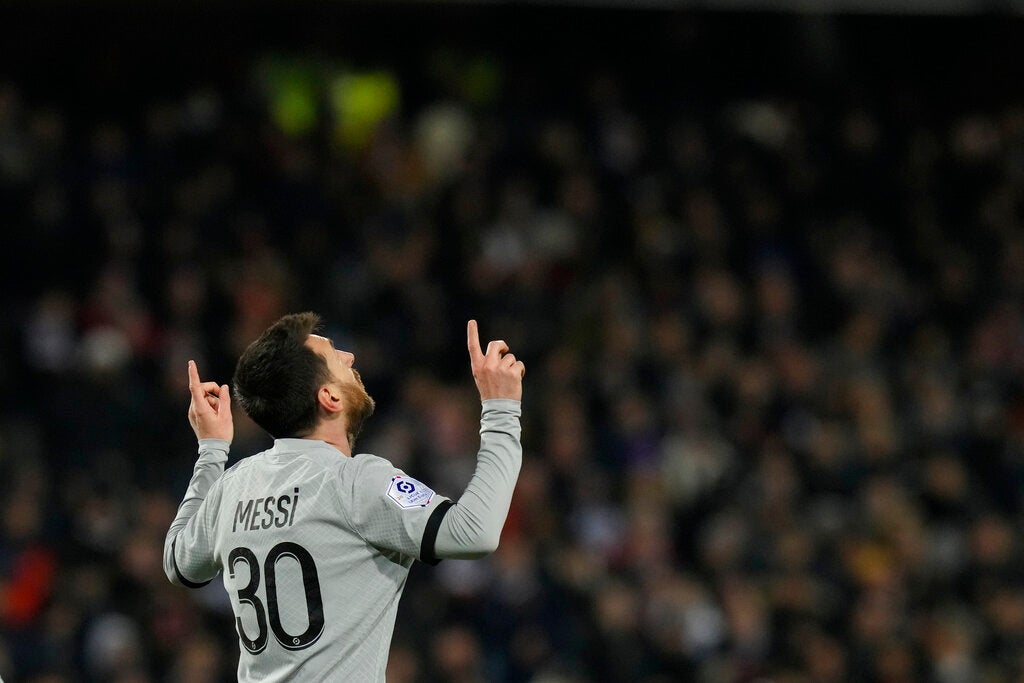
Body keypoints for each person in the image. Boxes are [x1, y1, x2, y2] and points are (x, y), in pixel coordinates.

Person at [162, 312, 524, 680]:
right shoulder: (354, 481)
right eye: (337, 356)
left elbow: (178, 564)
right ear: (330, 397)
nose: (350, 358)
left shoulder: (233, 485)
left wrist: (211, 451)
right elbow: (473, 531)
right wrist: (501, 409)